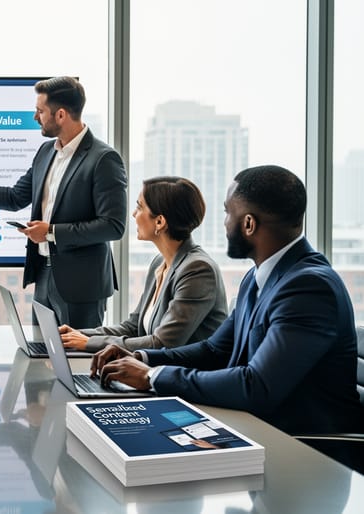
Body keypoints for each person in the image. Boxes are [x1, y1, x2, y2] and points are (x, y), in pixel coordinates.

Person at [91, 165, 364, 468]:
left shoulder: (309, 287)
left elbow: (256, 386)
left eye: (226, 213)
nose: (223, 223)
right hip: (258, 430)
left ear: (248, 223)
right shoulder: (257, 277)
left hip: (306, 454)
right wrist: (144, 358)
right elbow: (214, 350)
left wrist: (153, 377)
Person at [0, 76, 127, 328]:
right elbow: (14, 197)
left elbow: (113, 226)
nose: (34, 117)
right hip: (43, 277)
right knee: (41, 358)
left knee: (77, 363)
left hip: (81, 287)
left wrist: (50, 232)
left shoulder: (103, 159)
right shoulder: (45, 152)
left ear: (60, 115)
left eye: (40, 111)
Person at [58, 176, 228, 353]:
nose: (133, 214)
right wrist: (78, 335)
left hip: (184, 375)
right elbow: (133, 327)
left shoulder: (198, 270)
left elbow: (162, 343)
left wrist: (88, 343)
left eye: (139, 207)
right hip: (153, 370)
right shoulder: (159, 263)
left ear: (160, 222)